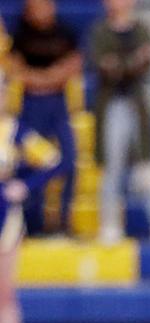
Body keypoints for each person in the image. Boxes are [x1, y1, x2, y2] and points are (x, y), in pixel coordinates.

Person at [89, 0, 150, 247]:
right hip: (111, 104)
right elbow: (105, 66)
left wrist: (123, 66)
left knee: (149, 166)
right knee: (112, 167)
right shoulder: (100, 31)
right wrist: (131, 64)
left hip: (136, 104)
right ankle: (109, 224)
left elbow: (145, 62)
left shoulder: (141, 29)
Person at [0, 70, 60, 323]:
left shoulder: (14, 131)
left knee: (4, 293)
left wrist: (25, 185)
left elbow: (53, 160)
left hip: (4, 219)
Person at [5, 0, 80, 237]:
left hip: (57, 103)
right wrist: (47, 77)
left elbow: (73, 64)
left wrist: (41, 78)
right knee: (28, 163)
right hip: (31, 103)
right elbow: (14, 68)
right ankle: (33, 221)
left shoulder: (65, 30)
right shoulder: (21, 33)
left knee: (67, 159)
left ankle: (62, 219)